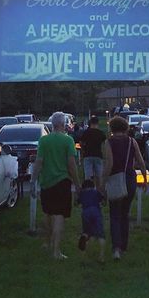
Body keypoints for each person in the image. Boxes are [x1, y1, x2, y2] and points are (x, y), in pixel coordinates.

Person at [30, 111, 80, 260]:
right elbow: (72, 164)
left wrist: (33, 181)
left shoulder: (44, 141)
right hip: (62, 183)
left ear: (52, 124)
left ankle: (47, 242)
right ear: (63, 124)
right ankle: (56, 251)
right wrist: (77, 184)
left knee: (48, 213)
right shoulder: (68, 140)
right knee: (59, 216)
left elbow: (38, 162)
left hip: (46, 183)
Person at [102, 115, 147, 261]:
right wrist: (145, 179)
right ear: (125, 127)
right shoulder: (132, 141)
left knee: (114, 213)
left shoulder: (108, 142)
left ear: (112, 128)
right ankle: (124, 245)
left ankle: (116, 248)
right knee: (125, 214)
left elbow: (109, 164)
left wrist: (103, 182)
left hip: (116, 179)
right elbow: (140, 161)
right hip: (130, 179)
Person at [77, 178, 105, 262]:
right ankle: (101, 256)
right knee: (101, 235)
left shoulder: (82, 193)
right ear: (93, 186)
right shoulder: (96, 192)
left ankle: (84, 237)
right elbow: (103, 201)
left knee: (87, 232)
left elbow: (76, 203)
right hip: (96, 212)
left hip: (85, 212)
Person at [79, 116, 106, 188]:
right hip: (98, 155)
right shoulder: (101, 133)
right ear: (98, 123)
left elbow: (81, 143)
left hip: (87, 155)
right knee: (99, 176)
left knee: (88, 176)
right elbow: (104, 145)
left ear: (90, 123)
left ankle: (89, 190)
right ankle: (99, 191)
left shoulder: (86, 132)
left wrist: (82, 151)